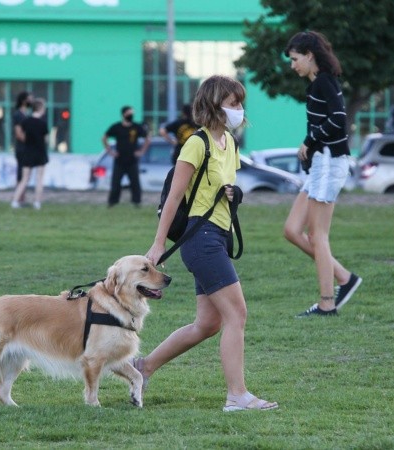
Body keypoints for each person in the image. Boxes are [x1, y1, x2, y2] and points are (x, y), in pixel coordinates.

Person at [139, 75, 278, 412]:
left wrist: (234, 194)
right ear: (214, 104)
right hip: (201, 240)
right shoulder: (196, 143)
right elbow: (174, 198)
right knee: (237, 315)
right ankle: (237, 395)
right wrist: (158, 243)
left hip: (218, 236)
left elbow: (221, 187)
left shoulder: (229, 142)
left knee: (208, 324)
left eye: (240, 102)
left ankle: (142, 368)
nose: (239, 109)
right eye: (233, 103)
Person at [283, 30, 362, 317]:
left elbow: (339, 120)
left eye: (295, 59)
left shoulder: (325, 82)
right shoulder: (316, 84)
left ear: (309, 55)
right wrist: (309, 148)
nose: (293, 65)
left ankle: (327, 303)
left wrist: (310, 141)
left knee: (318, 236)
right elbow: (325, 121)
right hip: (320, 164)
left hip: (330, 163)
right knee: (292, 230)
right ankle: (344, 277)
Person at [102, 106, 150, 207]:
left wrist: (142, 151)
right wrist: (110, 151)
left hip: (132, 160)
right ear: (124, 114)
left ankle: (136, 202)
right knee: (115, 183)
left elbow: (147, 138)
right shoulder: (117, 127)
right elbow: (104, 138)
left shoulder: (136, 127)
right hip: (119, 159)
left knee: (135, 183)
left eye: (132, 113)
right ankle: (112, 203)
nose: (131, 115)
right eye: (129, 113)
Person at [11, 98, 49, 210]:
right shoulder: (43, 123)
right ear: (41, 108)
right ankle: (37, 203)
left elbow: (21, 134)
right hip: (40, 152)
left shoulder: (26, 121)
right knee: (39, 178)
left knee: (24, 179)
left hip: (28, 152)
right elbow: (46, 139)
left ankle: (15, 201)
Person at [12, 91, 33, 204]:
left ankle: (22, 198)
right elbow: (18, 134)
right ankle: (19, 199)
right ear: (24, 100)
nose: (31, 100)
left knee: (24, 174)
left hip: (26, 148)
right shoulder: (18, 115)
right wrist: (32, 142)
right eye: (30, 98)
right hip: (22, 148)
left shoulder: (26, 114)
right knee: (21, 174)